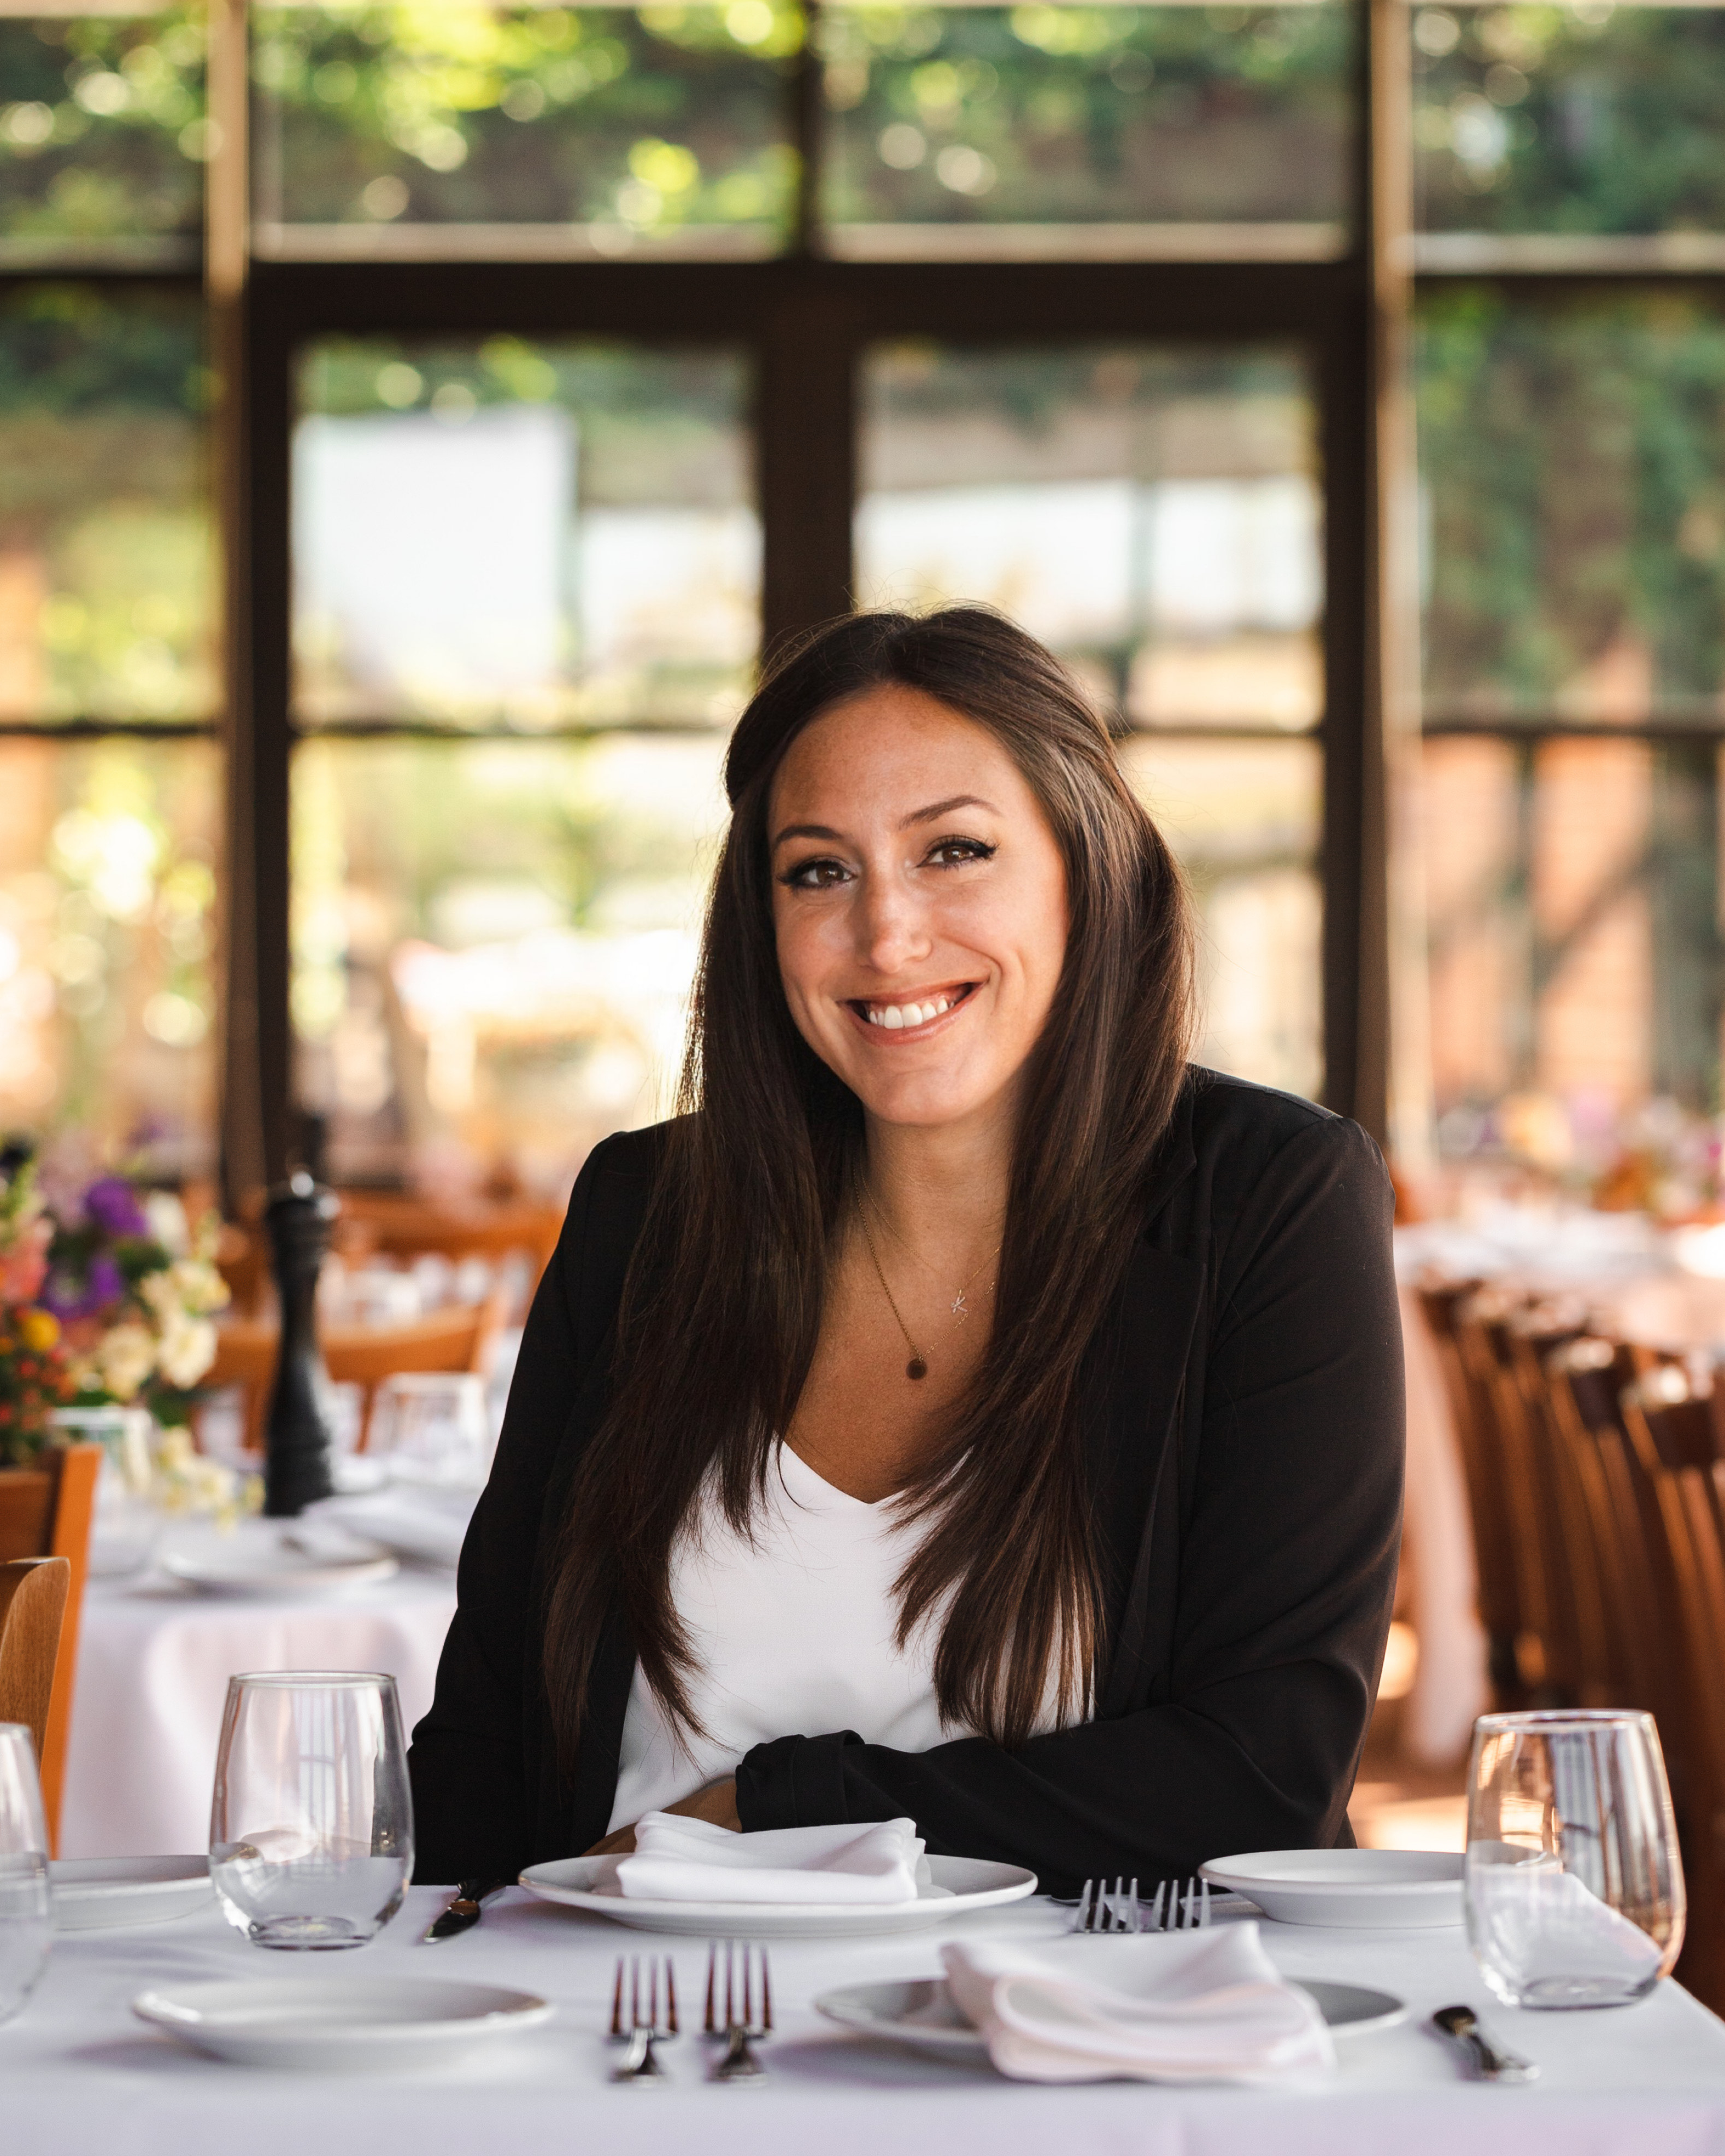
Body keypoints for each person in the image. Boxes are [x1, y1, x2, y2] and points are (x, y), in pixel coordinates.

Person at [407, 606, 1405, 1891]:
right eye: (819, 869)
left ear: (1085, 865)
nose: (888, 935)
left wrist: (777, 1810)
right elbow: (488, 1735)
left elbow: (1263, 1776)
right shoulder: (645, 1211)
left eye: (955, 850)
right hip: (634, 2036)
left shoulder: (1268, 1199)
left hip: (1071, 2055)